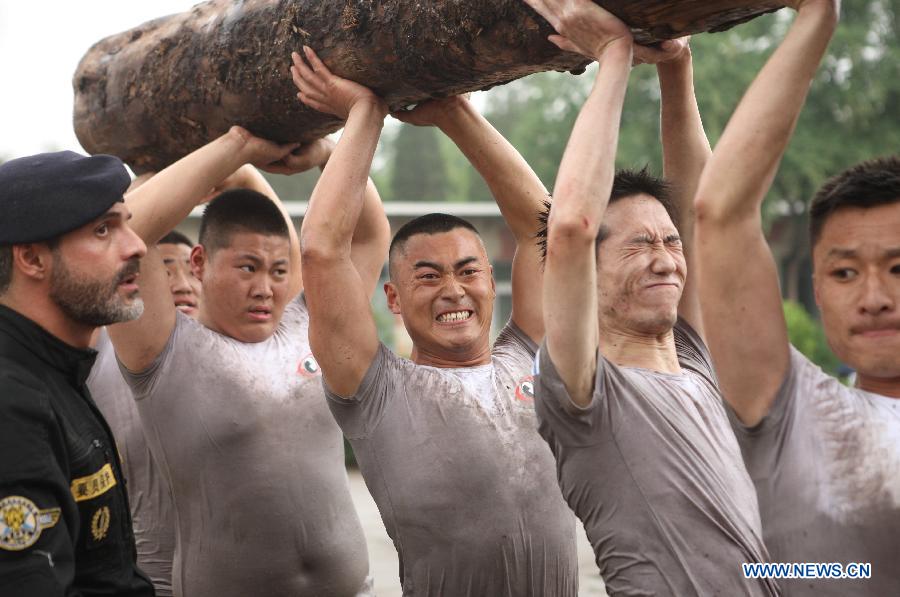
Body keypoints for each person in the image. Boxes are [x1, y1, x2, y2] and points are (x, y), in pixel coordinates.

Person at [293, 45, 578, 595]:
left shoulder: (532, 354)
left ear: (491, 283)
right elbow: (323, 251)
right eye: (427, 277)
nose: (453, 290)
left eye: (468, 271)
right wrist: (365, 113)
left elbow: (543, 227)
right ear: (394, 300)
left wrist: (455, 113)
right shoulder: (374, 389)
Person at [525, 0, 780, 594]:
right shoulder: (583, 390)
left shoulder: (696, 360)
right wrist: (612, 56)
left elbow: (703, 215)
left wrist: (676, 66)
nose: (666, 258)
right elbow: (569, 230)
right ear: (587, 273)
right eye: (639, 246)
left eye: (670, 242)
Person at [106, 126, 389, 597]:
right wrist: (236, 147)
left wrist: (325, 151)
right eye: (247, 268)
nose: (265, 288)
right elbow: (127, 235)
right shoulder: (164, 350)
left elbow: (367, 237)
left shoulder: (309, 325)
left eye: (280, 271)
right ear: (199, 263)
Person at [693, 0, 900, 593]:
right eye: (844, 274)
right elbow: (720, 212)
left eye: (898, 266)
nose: (875, 297)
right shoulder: (795, 414)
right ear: (817, 289)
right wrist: (819, 18)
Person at [85, 170, 250, 596]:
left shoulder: (239, 346)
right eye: (163, 271)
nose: (180, 285)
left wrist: (246, 173)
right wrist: (154, 172)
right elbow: (132, 231)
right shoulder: (109, 343)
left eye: (189, 270)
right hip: (143, 576)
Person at [0, 151, 154, 595]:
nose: (137, 245)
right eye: (103, 229)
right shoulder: (12, 405)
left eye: (126, 222)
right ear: (32, 259)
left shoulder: (57, 369)